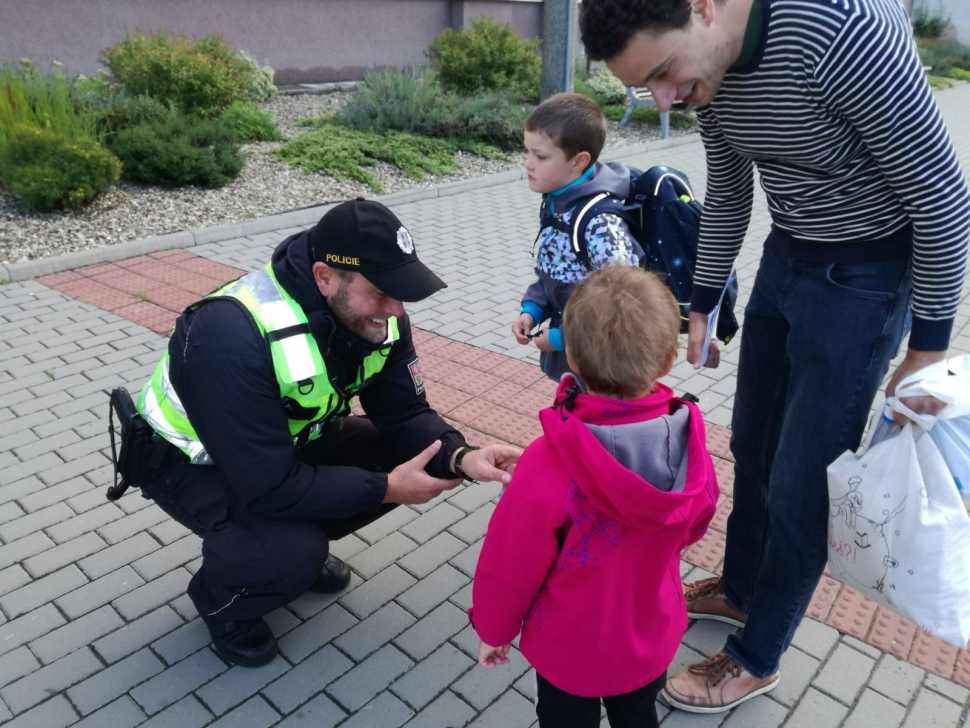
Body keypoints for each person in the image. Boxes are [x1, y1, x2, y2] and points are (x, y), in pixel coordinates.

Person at [580, 0, 970, 713]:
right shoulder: (707, 74)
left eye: (664, 73)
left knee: (802, 484)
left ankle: (758, 657)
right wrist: (702, 298)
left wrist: (928, 347)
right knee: (753, 447)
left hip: (867, 278)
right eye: (644, 88)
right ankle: (740, 590)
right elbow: (729, 188)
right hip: (788, 256)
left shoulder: (840, 32)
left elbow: (942, 194)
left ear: (703, 7)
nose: (664, 100)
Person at [133, 199, 521, 667]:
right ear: (324, 277)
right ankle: (224, 602)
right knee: (290, 553)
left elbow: (403, 412)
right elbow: (268, 486)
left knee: (389, 453)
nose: (395, 310)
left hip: (275, 448)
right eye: (381, 291)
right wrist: (387, 488)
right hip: (186, 463)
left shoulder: (378, 317)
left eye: (400, 292)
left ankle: (280, 547)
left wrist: (461, 456)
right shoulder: (228, 335)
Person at [472, 266, 719, 728]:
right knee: (639, 716)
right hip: (649, 632)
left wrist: (494, 629)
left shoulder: (549, 461)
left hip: (569, 645)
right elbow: (695, 521)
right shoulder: (690, 448)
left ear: (574, 362)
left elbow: (511, 562)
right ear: (667, 361)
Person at [511, 92, 645, 382]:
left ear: (578, 162)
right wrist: (532, 309)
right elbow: (557, 274)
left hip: (601, 367)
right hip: (574, 361)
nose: (528, 164)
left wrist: (563, 338)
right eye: (527, 152)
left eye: (541, 156)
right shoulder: (556, 202)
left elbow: (620, 302)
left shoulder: (600, 224)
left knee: (590, 426)